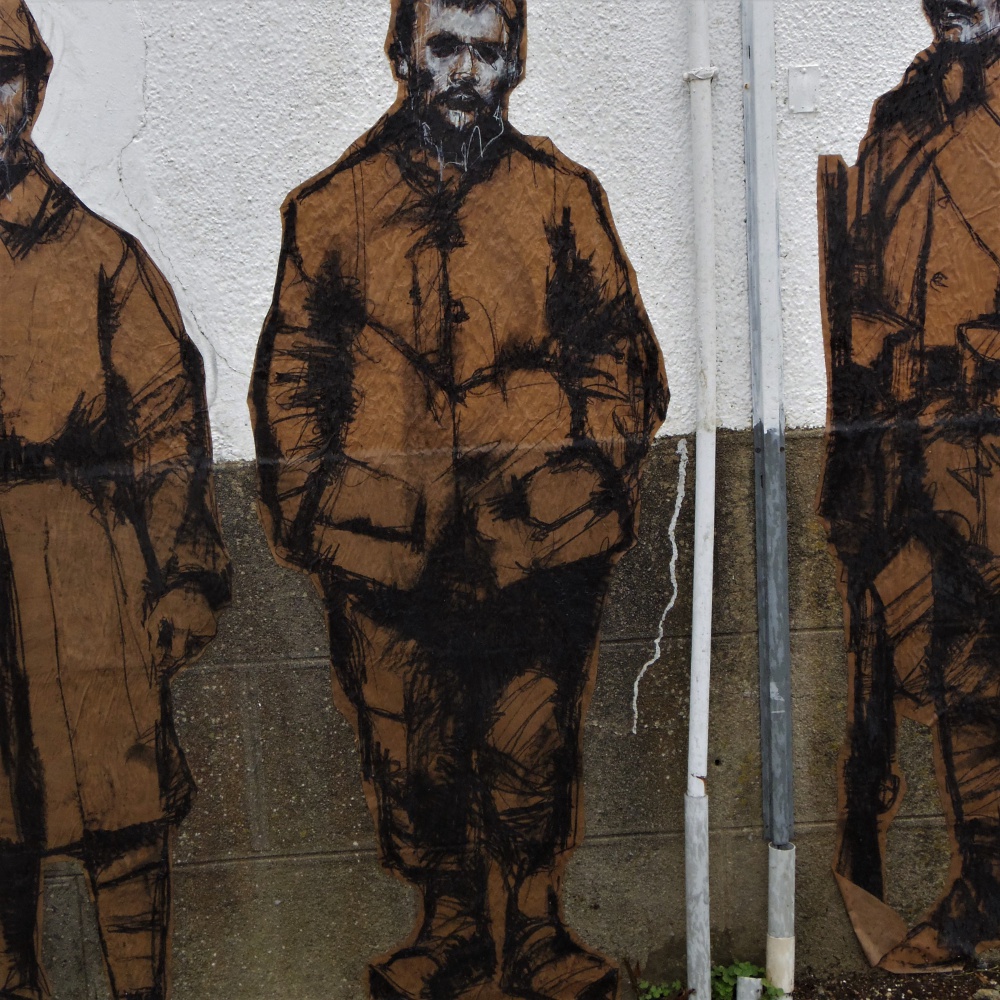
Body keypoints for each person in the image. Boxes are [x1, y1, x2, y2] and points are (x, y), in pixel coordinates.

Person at [250, 1, 667, 997]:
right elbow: (293, 380)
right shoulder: (329, 209)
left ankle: (536, 932)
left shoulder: (561, 197)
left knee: (532, 741)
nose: (466, 71)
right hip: (385, 551)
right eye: (444, 47)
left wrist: (571, 483)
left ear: (514, 62)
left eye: (487, 51)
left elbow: (622, 361)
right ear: (403, 52)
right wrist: (324, 510)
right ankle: (447, 931)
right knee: (410, 749)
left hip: (538, 545)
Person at [0, 3, 231, 998]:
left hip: (85, 559)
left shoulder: (100, 255)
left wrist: (182, 577)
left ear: (34, 89)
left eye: (1, 75)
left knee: (120, 801)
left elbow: (169, 425)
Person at [819, 0, 1000, 972]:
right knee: (963, 678)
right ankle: (985, 889)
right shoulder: (898, 115)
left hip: (992, 433)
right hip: (915, 451)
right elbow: (868, 288)